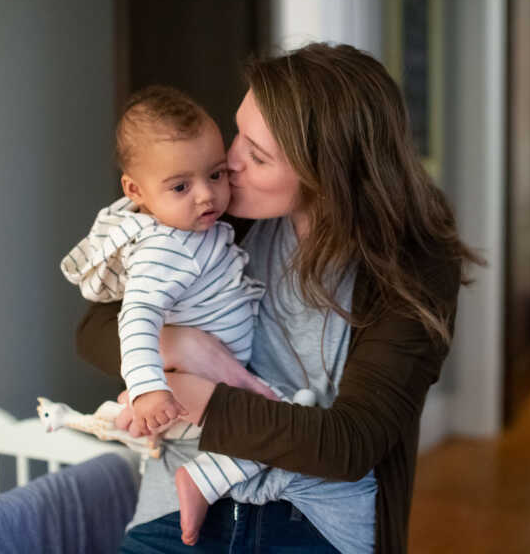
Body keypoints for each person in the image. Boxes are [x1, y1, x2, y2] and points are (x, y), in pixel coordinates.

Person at [76, 42, 483, 553]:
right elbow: (94, 329)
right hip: (177, 505)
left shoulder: (413, 265)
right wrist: (179, 346)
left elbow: (349, 442)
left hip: (316, 517)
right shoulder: (215, 209)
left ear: (327, 175)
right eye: (239, 134)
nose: (228, 162)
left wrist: (203, 399)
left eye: (258, 155)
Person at [63, 85, 377, 552]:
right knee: (295, 408)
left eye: (220, 170)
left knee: (291, 417)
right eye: (181, 186)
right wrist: (161, 377)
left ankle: (203, 478)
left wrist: (202, 387)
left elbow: (350, 442)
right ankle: (203, 479)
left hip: (248, 433)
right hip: (183, 399)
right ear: (136, 191)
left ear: (320, 170)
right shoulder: (165, 246)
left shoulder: (211, 221)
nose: (213, 189)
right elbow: (125, 319)